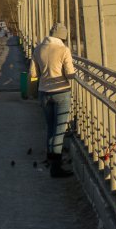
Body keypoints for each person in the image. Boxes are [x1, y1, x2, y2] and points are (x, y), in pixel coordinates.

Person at [29, 23, 75, 178]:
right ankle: (56, 168)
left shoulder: (38, 49)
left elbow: (33, 73)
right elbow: (69, 74)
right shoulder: (64, 50)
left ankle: (50, 160)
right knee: (59, 131)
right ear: (63, 37)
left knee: (50, 127)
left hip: (43, 92)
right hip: (61, 92)